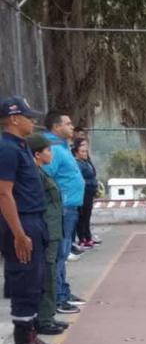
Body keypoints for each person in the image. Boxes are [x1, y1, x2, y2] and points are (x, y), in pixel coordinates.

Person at [0, 97, 60, 344]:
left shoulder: (20, 145)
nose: (33, 121)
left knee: (34, 280)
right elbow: (3, 193)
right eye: (29, 117)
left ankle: (31, 336)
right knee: (24, 280)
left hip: (33, 219)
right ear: (14, 118)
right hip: (21, 222)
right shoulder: (7, 149)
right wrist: (19, 234)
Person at [42, 110, 86, 312]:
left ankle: (64, 292)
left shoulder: (61, 147)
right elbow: (46, 176)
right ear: (56, 127)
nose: (71, 126)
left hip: (70, 207)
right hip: (63, 209)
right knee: (59, 253)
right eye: (67, 123)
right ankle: (58, 297)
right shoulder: (52, 149)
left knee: (64, 251)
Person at [27, 133, 71, 334]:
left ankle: (48, 315)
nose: (51, 153)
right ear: (37, 154)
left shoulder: (41, 172)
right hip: (46, 231)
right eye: (47, 150)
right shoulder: (34, 175)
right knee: (47, 275)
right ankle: (43, 319)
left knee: (50, 274)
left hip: (53, 230)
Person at [73, 137, 98, 248]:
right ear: (76, 152)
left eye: (86, 151)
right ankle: (82, 238)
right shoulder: (78, 164)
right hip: (84, 193)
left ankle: (88, 237)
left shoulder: (86, 162)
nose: (85, 153)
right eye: (82, 151)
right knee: (82, 216)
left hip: (90, 193)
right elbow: (79, 179)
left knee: (87, 216)